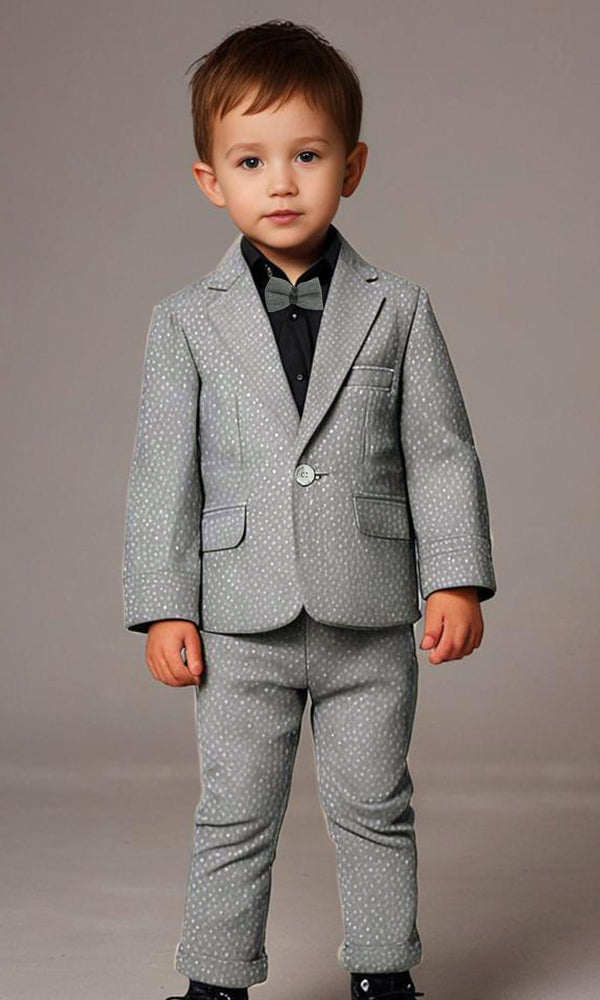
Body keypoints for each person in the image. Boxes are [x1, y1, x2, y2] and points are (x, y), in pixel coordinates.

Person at [122, 19, 497, 1000]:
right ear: (211, 179)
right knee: (233, 811)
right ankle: (215, 981)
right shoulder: (184, 322)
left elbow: (441, 455)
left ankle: (384, 973)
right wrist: (163, 606)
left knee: (376, 803)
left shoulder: (399, 309)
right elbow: (162, 476)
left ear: (352, 167)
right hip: (237, 619)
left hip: (369, 613)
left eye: (308, 156)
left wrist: (455, 578)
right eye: (251, 160)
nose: (281, 183)